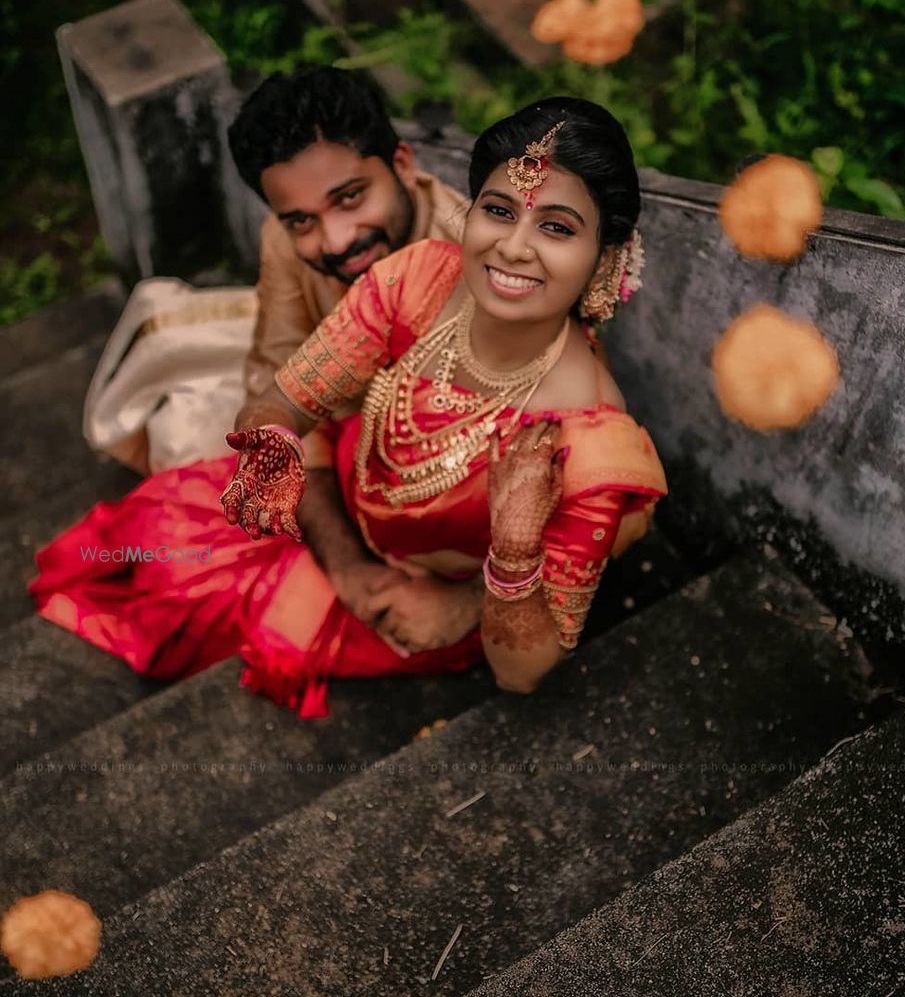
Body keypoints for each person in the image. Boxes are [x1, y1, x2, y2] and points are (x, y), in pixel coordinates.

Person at [31, 97, 667, 714]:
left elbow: (522, 675)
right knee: (150, 546)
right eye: (499, 210)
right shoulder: (418, 276)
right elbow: (282, 398)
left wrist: (516, 548)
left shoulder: (587, 444)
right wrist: (274, 453)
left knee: (192, 613)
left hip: (441, 599)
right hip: (332, 496)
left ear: (605, 257)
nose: (513, 247)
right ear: (469, 213)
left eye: (556, 227)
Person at [82, 65, 467, 626]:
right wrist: (345, 564)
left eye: (351, 197)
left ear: (403, 165)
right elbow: (275, 384)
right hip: (350, 474)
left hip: (468, 525)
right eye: (302, 220)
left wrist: (465, 603)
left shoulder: (486, 265)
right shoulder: (285, 244)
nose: (337, 240)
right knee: (156, 564)